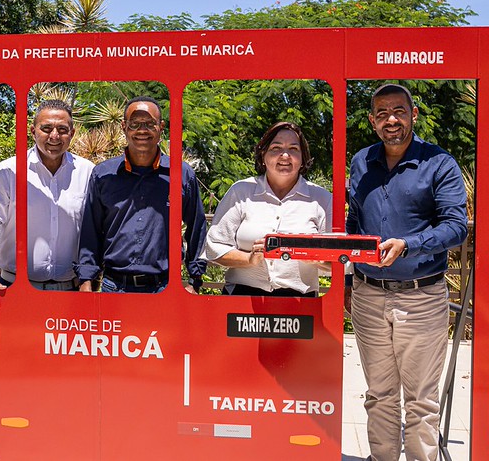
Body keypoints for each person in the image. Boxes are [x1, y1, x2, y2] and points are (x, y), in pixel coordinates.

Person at [345, 83, 468, 461]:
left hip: (421, 296)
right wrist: (349, 278)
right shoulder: (361, 162)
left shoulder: (439, 163)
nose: (391, 120)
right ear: (371, 120)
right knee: (378, 394)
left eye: (398, 111)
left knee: (421, 401)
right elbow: (353, 223)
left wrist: (408, 244)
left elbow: (456, 226)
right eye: (382, 114)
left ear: (414, 114)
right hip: (368, 294)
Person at [0, 99, 94, 314]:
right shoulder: (9, 171)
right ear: (32, 131)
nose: (54, 136)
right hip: (14, 292)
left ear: (72, 134)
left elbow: (96, 232)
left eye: (62, 129)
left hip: (71, 296)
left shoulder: (88, 172)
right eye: (46, 128)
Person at [74, 95, 206, 293]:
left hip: (165, 288)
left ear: (161, 127)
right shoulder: (103, 175)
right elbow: (90, 232)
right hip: (114, 287)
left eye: (149, 123)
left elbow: (197, 227)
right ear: (123, 127)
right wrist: (86, 280)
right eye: (135, 124)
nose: (142, 130)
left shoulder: (180, 173)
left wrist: (194, 279)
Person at [204, 121, 332, 296]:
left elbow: (338, 261)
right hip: (242, 300)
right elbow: (214, 247)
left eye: (294, 149)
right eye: (276, 148)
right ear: (263, 154)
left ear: (303, 158)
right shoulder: (241, 191)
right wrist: (249, 259)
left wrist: (314, 258)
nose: (285, 155)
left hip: (300, 305)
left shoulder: (322, 198)